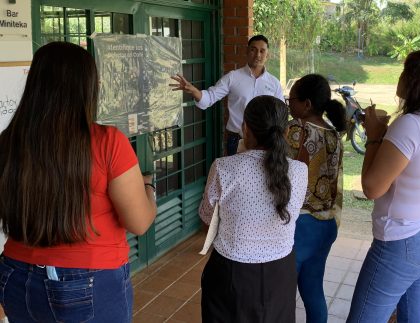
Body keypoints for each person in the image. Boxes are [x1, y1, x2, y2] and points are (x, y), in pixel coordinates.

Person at [0, 42, 157, 322]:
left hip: (15, 274)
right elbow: (140, 222)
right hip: (88, 281)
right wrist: (149, 188)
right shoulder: (107, 142)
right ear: (87, 87)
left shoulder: (8, 141)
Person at [346, 49, 420, 322]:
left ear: (417, 79)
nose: (400, 76)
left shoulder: (410, 125)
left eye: (404, 70)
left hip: (403, 240)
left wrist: (374, 136)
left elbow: (372, 188)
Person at [199, 95, 308, 323]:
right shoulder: (299, 171)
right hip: (280, 272)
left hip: (231, 274)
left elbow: (207, 218)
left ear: (245, 128)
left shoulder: (224, 167)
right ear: (286, 132)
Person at [284, 74, 346, 323]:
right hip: (326, 224)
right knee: (313, 292)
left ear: (307, 104)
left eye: (293, 99)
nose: (289, 103)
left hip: (300, 224)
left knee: (283, 293)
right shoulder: (333, 134)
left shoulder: (296, 130)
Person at [170, 35, 284, 155]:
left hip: (266, 142)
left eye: (262, 51)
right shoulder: (233, 77)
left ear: (268, 54)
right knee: (235, 174)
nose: (258, 55)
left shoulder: (274, 83)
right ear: (247, 51)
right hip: (237, 140)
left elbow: (280, 114)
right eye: (253, 49)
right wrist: (194, 91)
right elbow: (210, 97)